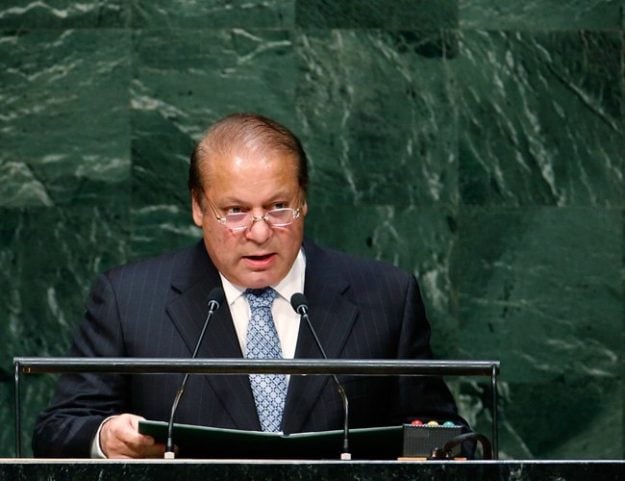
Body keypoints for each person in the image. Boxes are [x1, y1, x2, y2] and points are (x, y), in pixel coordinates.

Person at [33, 112, 465, 459]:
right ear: (199, 208)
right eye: (236, 211)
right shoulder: (128, 300)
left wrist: (430, 453)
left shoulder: (386, 296)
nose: (259, 232)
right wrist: (107, 437)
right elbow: (58, 428)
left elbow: (440, 433)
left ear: (304, 199)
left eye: (279, 207)